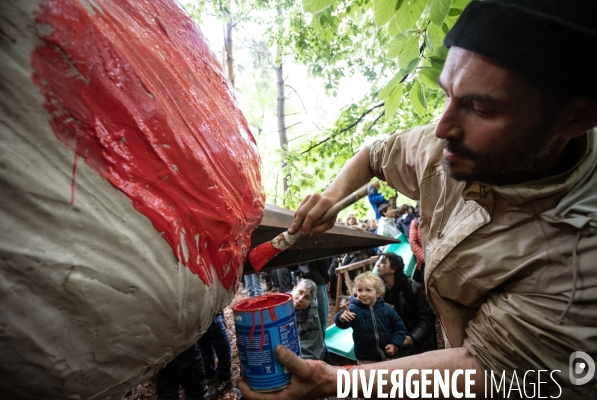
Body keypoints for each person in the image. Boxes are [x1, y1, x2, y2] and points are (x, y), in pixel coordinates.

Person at [239, 1, 597, 398]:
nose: (442, 128)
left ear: (576, 117)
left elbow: (490, 369)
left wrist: (330, 381)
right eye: (448, 94)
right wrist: (332, 197)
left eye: (480, 107)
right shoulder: (455, 146)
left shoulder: (580, 257)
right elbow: (374, 154)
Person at [334, 272, 407, 363]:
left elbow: (400, 328)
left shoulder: (387, 309)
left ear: (378, 293)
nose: (363, 294)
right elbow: (343, 324)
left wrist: (395, 344)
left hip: (387, 356)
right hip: (365, 358)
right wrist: (341, 317)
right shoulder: (354, 308)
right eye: (360, 290)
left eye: (368, 290)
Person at [376, 252, 436, 356]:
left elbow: (427, 319)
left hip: (413, 338)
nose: (378, 265)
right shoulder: (378, 289)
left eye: (383, 263)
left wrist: (412, 338)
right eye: (379, 261)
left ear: (393, 269)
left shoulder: (412, 288)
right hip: (390, 340)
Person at [197, 312, 233, 399]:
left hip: (207, 305)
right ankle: (209, 374)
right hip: (193, 311)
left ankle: (224, 377)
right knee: (200, 336)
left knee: (214, 325)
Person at [291, 279, 326, 361]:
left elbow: (313, 348)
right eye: (300, 292)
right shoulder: (279, 304)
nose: (300, 299)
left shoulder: (311, 316)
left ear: (310, 302)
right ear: (293, 289)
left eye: (306, 298)